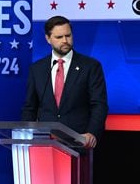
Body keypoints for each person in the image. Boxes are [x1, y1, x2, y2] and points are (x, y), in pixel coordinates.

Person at [21, 15, 108, 148]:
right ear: (48, 39)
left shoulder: (90, 66)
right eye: (59, 37)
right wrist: (26, 136)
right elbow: (30, 107)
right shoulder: (37, 69)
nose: (65, 41)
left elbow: (99, 105)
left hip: (79, 142)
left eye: (68, 35)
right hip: (45, 144)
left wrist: (92, 133)